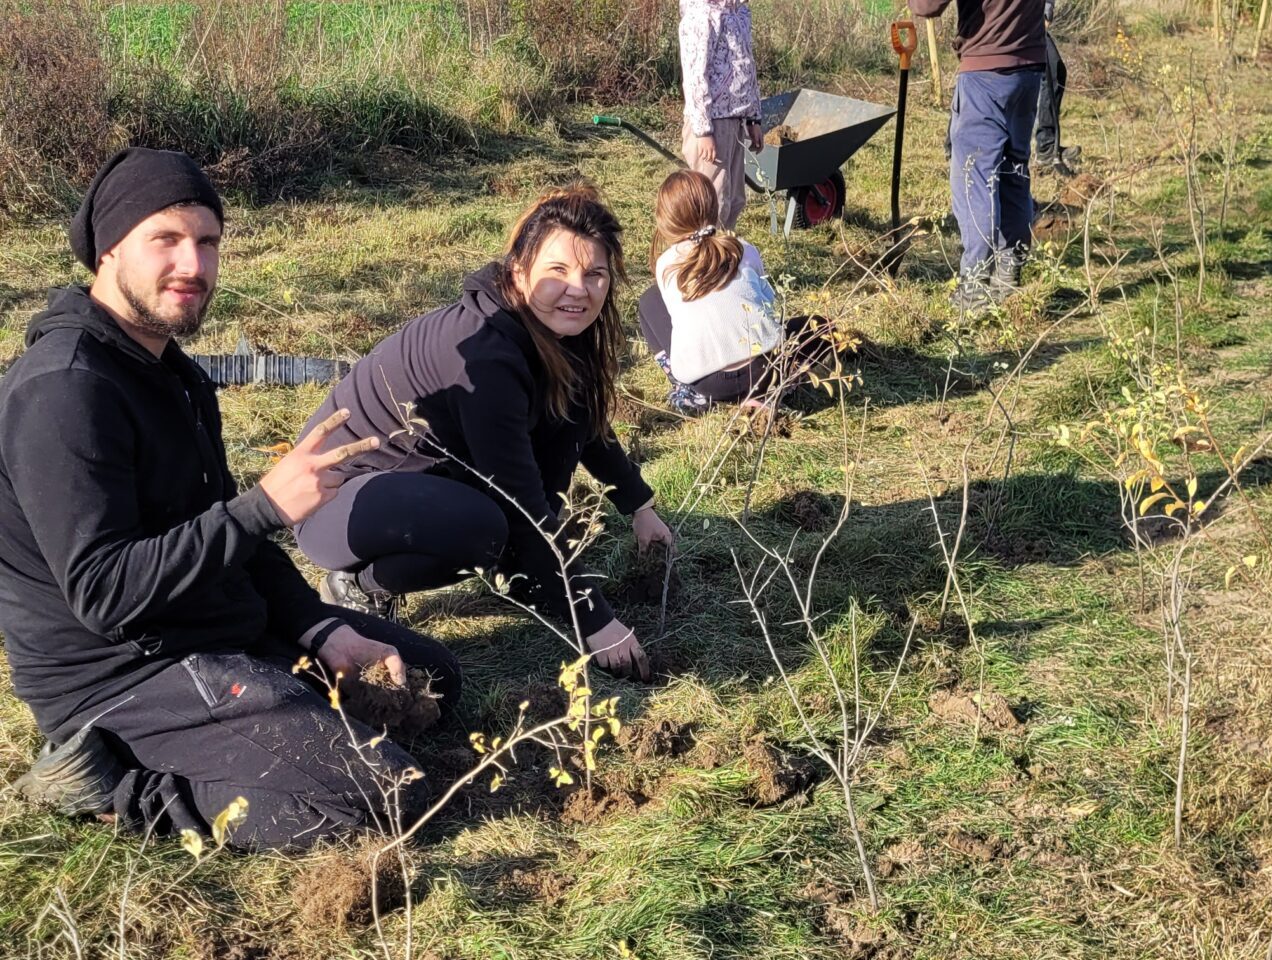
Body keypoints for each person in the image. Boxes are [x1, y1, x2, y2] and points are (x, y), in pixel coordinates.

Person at [0, 148, 461, 851]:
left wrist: (317, 627)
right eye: (165, 239)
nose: (193, 264)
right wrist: (263, 507)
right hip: (119, 676)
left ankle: (274, 701)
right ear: (109, 249)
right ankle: (119, 786)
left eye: (208, 241)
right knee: (389, 800)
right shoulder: (65, 390)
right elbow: (104, 593)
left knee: (432, 684)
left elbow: (235, 544)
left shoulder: (174, 374)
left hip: (209, 625)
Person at [294, 184, 672, 683]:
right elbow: (518, 503)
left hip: (418, 483)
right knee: (484, 530)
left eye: (594, 274)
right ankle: (357, 585)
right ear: (518, 271)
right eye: (557, 271)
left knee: (509, 507)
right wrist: (596, 621)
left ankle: (526, 570)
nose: (578, 289)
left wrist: (639, 505)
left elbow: (585, 427)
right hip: (336, 502)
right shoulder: (487, 353)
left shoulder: (558, 330)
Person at [637, 169, 831, 413]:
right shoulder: (744, 249)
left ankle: (689, 392)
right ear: (714, 208)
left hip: (707, 382)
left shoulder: (666, 263)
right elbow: (767, 304)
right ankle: (767, 392)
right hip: (763, 370)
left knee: (649, 301)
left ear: (665, 221)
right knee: (823, 327)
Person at [910, 0, 1047, 313]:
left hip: (986, 69)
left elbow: (926, 6)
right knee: (1013, 171)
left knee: (974, 180)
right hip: (1029, 66)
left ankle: (974, 287)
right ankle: (1008, 274)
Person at [679, 0, 763, 230]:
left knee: (734, 199)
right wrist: (703, 130)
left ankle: (725, 246)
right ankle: (704, 250)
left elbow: (747, 67)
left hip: (736, 118)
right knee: (712, 202)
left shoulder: (739, 13)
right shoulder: (701, 16)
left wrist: (753, 117)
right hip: (713, 122)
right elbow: (695, 77)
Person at [1035, 0, 1081, 175]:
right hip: (1012, 18)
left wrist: (1046, 11)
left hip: (1032, 17)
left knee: (1055, 71)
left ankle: (1046, 146)